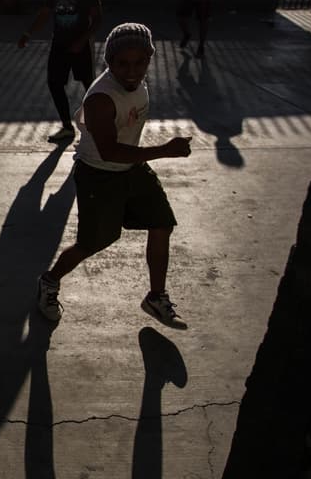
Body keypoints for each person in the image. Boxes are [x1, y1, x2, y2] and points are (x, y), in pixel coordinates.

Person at [36, 23, 193, 329]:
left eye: (140, 62)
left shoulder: (138, 83)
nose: (132, 71)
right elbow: (109, 152)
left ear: (150, 58)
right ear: (109, 62)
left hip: (132, 169)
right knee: (94, 242)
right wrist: (164, 150)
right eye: (122, 64)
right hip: (99, 175)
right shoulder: (101, 99)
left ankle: (155, 297)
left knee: (162, 223)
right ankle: (49, 281)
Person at [18, 0, 102, 142]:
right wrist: (28, 33)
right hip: (60, 44)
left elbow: (97, 20)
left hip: (80, 46)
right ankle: (67, 127)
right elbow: (45, 14)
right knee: (55, 83)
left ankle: (99, 123)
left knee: (90, 85)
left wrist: (82, 41)